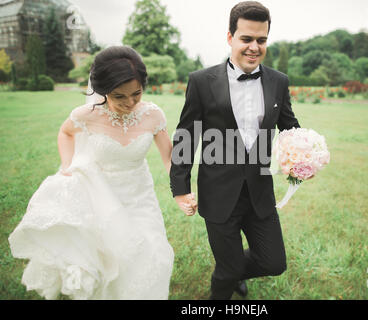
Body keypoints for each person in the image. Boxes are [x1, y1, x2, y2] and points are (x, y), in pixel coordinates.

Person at [8, 46, 178, 299]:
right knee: (111, 260)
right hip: (101, 195)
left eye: (136, 94)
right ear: (103, 91)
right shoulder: (86, 115)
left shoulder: (153, 115)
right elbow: (65, 133)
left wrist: (181, 189)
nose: (130, 103)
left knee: (154, 253)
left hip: (140, 196)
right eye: (120, 96)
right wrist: (67, 167)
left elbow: (169, 158)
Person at [170, 1, 301, 300]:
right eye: (246, 39)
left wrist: (306, 156)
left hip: (259, 193)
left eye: (262, 40)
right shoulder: (202, 81)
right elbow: (187, 135)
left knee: (274, 263)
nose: (254, 47)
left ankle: (230, 272)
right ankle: (226, 282)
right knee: (228, 271)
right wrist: (180, 188)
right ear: (230, 37)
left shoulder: (279, 82)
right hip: (218, 194)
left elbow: (290, 128)